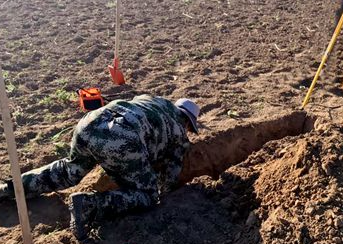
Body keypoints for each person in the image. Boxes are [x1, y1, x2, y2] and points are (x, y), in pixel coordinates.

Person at [0, 94, 200, 241]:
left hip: (90, 122)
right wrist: (164, 194)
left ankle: (11, 188)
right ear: (187, 122)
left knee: (68, 171)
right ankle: (87, 205)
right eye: (190, 128)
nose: (188, 132)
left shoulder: (152, 100)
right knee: (147, 195)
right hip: (120, 136)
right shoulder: (179, 132)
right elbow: (171, 174)